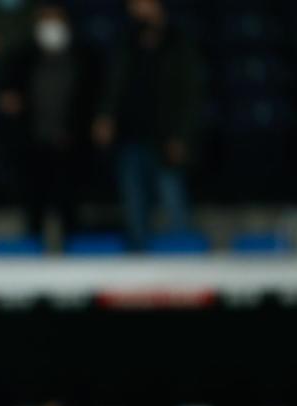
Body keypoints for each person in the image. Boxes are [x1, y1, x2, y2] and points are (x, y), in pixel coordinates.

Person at [92, 0, 204, 250]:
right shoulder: (126, 40)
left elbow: (191, 93)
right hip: (130, 137)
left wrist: (182, 136)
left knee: (173, 202)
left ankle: (184, 271)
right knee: (134, 208)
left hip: (165, 138)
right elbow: (114, 85)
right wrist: (106, 117)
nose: (137, 8)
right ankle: (139, 273)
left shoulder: (178, 41)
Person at [0, 1, 96, 243]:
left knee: (70, 207)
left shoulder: (84, 56)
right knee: (34, 207)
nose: (50, 25)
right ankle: (32, 262)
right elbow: (8, 95)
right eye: (45, 20)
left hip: (71, 144)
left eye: (55, 19)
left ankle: (76, 258)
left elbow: (92, 100)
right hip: (34, 144)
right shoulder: (22, 56)